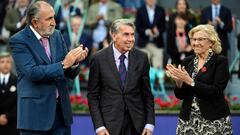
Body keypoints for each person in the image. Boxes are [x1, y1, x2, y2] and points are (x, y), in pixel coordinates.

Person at [9, 1, 88, 135]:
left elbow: (67, 72)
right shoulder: (19, 40)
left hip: (61, 114)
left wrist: (74, 62)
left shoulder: (56, 35)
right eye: (49, 18)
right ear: (35, 22)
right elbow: (32, 72)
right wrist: (64, 64)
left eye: (54, 17)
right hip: (35, 116)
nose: (54, 23)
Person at [87, 19, 155, 135]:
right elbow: (93, 96)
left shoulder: (142, 58)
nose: (131, 39)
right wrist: (99, 126)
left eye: (132, 34)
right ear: (114, 36)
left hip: (137, 125)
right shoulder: (98, 59)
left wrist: (149, 123)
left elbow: (147, 94)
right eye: (126, 34)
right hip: (109, 126)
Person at [166, 24, 233, 134]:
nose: (196, 43)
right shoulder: (188, 61)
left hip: (213, 120)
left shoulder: (220, 61)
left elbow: (215, 91)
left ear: (211, 42)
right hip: (188, 121)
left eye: (200, 39)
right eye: (193, 39)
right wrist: (179, 83)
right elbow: (180, 95)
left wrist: (190, 81)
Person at [135, 0, 165, 69]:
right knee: (143, 68)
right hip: (143, 44)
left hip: (157, 44)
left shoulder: (161, 10)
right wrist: (147, 31)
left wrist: (158, 32)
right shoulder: (140, 10)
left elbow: (164, 27)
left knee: (158, 68)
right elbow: (138, 27)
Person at [0, 52, 19, 135]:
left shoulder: (17, 81)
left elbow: (19, 102)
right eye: (2, 62)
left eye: (8, 62)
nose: (5, 64)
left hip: (13, 124)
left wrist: (7, 116)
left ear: (11, 64)